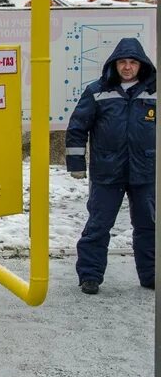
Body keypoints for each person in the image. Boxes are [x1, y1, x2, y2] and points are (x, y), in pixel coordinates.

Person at [66, 37, 156, 295]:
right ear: (114, 64)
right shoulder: (97, 91)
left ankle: (151, 276)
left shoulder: (155, 91)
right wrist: (76, 163)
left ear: (142, 65)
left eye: (132, 62)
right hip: (107, 172)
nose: (127, 67)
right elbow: (77, 128)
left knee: (148, 226)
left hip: (146, 172)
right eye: (122, 62)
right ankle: (90, 276)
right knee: (98, 225)